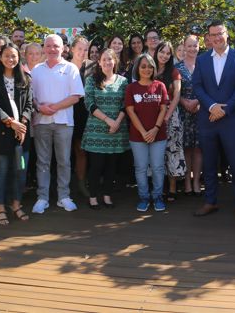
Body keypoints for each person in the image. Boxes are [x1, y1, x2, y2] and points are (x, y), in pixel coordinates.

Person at [191, 21, 235, 221]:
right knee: (209, 162)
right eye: (212, 35)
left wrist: (224, 110)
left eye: (220, 33)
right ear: (208, 38)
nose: (216, 38)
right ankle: (210, 200)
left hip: (231, 120)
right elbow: (197, 87)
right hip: (208, 119)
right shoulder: (202, 60)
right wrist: (211, 107)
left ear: (227, 34)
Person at [30, 34, 84, 214]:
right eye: (49, 46)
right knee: (43, 161)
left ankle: (64, 196)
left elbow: (76, 96)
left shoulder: (71, 69)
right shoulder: (36, 70)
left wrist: (53, 107)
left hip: (64, 122)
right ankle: (42, 197)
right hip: (41, 122)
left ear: (63, 48)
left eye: (56, 46)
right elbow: (32, 97)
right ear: (44, 48)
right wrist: (39, 107)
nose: (52, 49)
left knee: (63, 161)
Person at [0, 44, 33, 225]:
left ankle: (16, 205)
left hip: (21, 135)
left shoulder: (26, 78)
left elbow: (29, 104)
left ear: (19, 57)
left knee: (20, 172)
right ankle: (1, 207)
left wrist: (22, 124)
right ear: (0, 57)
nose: (10, 59)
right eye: (6, 56)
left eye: (14, 56)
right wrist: (11, 123)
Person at [82, 49, 129, 209]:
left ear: (115, 61)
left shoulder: (123, 81)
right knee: (96, 166)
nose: (107, 62)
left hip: (116, 130)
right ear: (99, 62)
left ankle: (107, 195)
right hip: (97, 131)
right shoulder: (91, 80)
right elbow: (89, 103)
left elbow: (126, 104)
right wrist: (109, 120)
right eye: (104, 59)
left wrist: (117, 122)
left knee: (111, 166)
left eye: (110, 59)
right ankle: (93, 196)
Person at [125, 53, 169, 212]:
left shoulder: (160, 86)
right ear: (138, 68)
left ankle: (157, 196)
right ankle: (144, 197)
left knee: (157, 167)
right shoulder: (131, 87)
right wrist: (144, 132)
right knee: (141, 168)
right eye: (143, 66)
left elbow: (164, 108)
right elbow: (130, 111)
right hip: (138, 136)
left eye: (150, 66)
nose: (147, 69)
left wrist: (155, 129)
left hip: (158, 135)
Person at [155, 41, 184, 199]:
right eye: (162, 52)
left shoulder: (174, 72)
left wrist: (166, 116)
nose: (164, 55)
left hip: (171, 116)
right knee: (155, 152)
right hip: (152, 115)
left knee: (172, 151)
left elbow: (177, 96)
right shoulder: (149, 68)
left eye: (167, 53)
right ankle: (157, 187)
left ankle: (172, 188)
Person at [176, 34, 203, 196]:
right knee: (186, 149)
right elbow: (172, 91)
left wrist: (198, 102)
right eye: (189, 45)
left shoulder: (204, 65)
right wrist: (184, 102)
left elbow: (211, 88)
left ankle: (196, 181)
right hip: (183, 112)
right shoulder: (177, 68)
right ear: (184, 47)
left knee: (199, 149)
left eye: (195, 45)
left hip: (201, 111)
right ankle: (187, 181)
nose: (192, 49)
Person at [70, 36, 95, 198]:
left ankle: (81, 183)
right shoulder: (64, 66)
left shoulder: (93, 67)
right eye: (79, 48)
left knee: (82, 151)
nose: (82, 52)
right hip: (66, 112)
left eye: (85, 49)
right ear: (72, 49)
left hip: (86, 114)